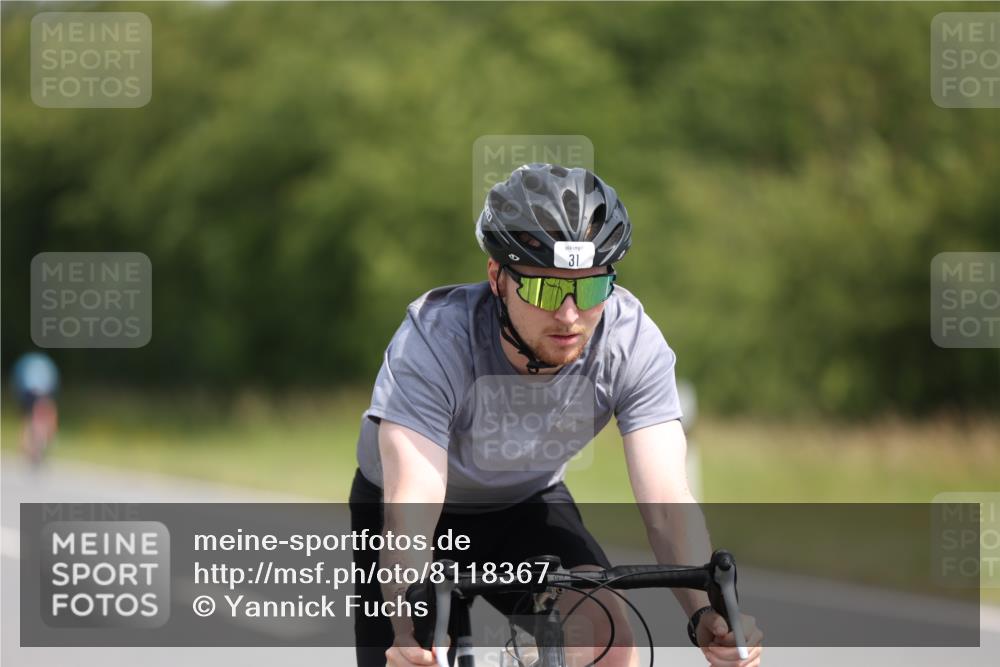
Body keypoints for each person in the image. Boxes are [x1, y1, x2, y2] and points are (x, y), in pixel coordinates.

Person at [350, 164, 763, 667]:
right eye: (545, 290)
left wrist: (706, 613)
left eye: (589, 289)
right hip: (412, 513)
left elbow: (666, 502)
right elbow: (411, 504)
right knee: (417, 656)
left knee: (607, 641)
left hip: (526, 501)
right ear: (497, 277)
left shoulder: (630, 343)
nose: (569, 315)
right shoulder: (435, 340)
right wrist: (406, 630)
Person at [10, 351, 60, 467]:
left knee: (30, 419)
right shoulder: (43, 366)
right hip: (33, 391)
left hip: (29, 391)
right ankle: (32, 448)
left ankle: (31, 448)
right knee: (36, 418)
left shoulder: (34, 365)